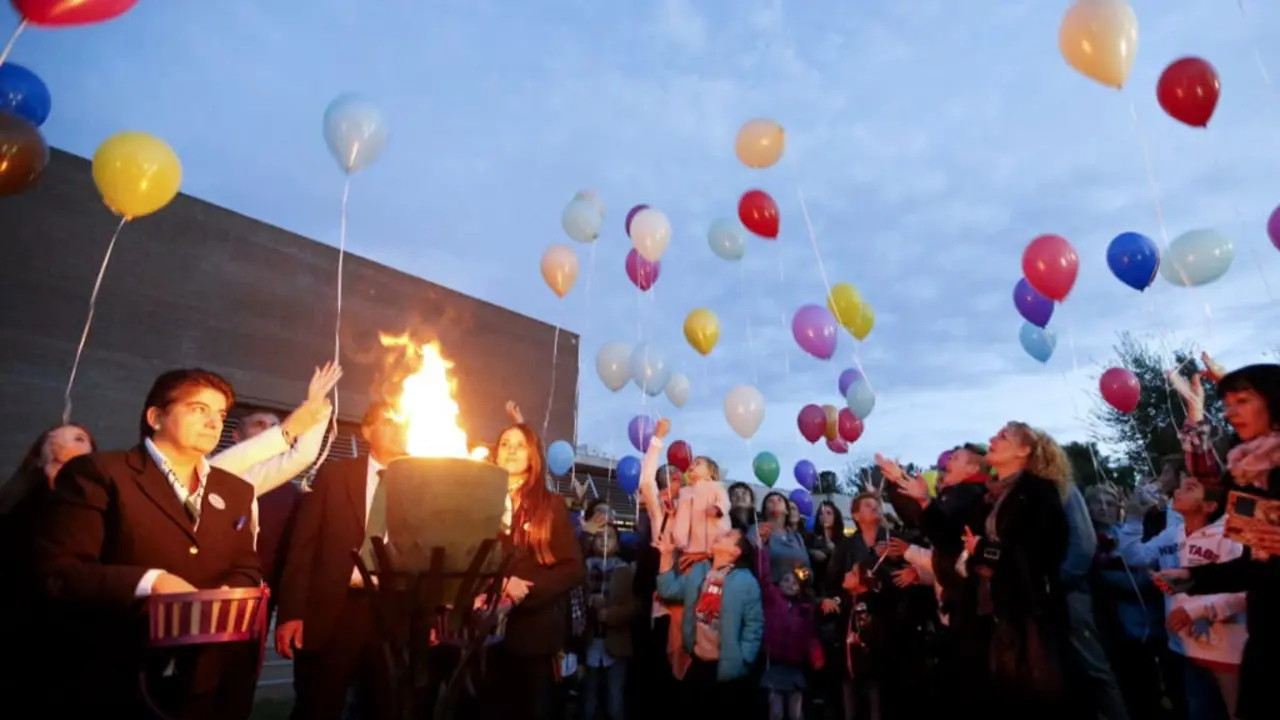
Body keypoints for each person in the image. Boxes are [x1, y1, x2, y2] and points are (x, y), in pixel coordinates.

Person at [34, 369, 262, 718]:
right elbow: (61, 574)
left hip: (203, 676)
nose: (213, 423)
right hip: (115, 671)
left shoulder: (235, 491)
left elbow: (247, 566)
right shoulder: (102, 473)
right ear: (156, 417)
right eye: (199, 409)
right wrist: (152, 582)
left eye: (220, 415)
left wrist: (225, 597)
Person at [1157, 361, 1280, 720]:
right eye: (1227, 403)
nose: (1230, 412)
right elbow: (1258, 566)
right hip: (1268, 633)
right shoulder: (1249, 475)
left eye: (1243, 400)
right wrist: (1195, 579)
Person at [275, 400, 406, 720]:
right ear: (367, 430)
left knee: (384, 706)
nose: (399, 427)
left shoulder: (423, 484)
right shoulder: (335, 474)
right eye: (388, 420)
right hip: (334, 609)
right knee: (318, 704)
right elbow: (303, 545)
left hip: (392, 614)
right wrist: (291, 613)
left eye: (405, 421)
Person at [473, 418, 584, 720]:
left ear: (532, 455)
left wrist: (525, 590)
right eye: (505, 444)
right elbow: (468, 559)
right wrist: (502, 584)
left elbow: (573, 568)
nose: (510, 450)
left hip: (534, 637)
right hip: (483, 637)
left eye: (520, 445)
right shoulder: (477, 501)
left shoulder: (550, 506)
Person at [961, 422, 1071, 719]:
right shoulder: (995, 497)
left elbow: (1035, 554)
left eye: (1003, 436)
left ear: (1024, 451)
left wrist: (982, 550)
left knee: (1033, 696)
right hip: (998, 610)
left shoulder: (1037, 493)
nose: (992, 439)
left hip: (1028, 612)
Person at [1119, 473, 1246, 719]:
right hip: (1186, 647)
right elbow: (1136, 557)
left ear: (1210, 505)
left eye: (1189, 488)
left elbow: (1244, 589)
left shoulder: (1229, 536)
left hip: (1228, 651)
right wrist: (1134, 518)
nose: (1177, 492)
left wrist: (1195, 608)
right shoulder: (1173, 534)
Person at [0, 423, 97, 699]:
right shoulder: (18, 504)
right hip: (19, 631)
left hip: (76, 638)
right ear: (38, 455)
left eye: (78, 439)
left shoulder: (102, 506)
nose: (61, 446)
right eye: (51, 440)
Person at [654, 526, 763, 720]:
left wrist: (743, 658)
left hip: (727, 670)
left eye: (729, 536)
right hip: (697, 663)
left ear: (736, 551)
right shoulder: (699, 571)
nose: (720, 534)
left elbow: (754, 625)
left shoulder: (746, 582)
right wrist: (666, 555)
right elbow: (668, 590)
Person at [758, 533, 822, 720]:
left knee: (796, 710)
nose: (790, 584)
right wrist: (761, 550)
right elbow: (764, 576)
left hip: (796, 666)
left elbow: (810, 636)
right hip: (775, 663)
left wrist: (816, 654)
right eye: (786, 580)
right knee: (776, 710)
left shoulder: (805, 609)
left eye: (795, 582)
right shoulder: (772, 599)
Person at [583, 523, 636, 720]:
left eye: (610, 537)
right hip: (590, 643)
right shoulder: (584, 567)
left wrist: (611, 613)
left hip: (617, 644)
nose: (604, 540)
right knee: (589, 698)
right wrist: (589, 602)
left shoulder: (626, 570)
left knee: (615, 699)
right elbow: (577, 600)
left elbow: (633, 606)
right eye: (599, 536)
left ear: (618, 544)